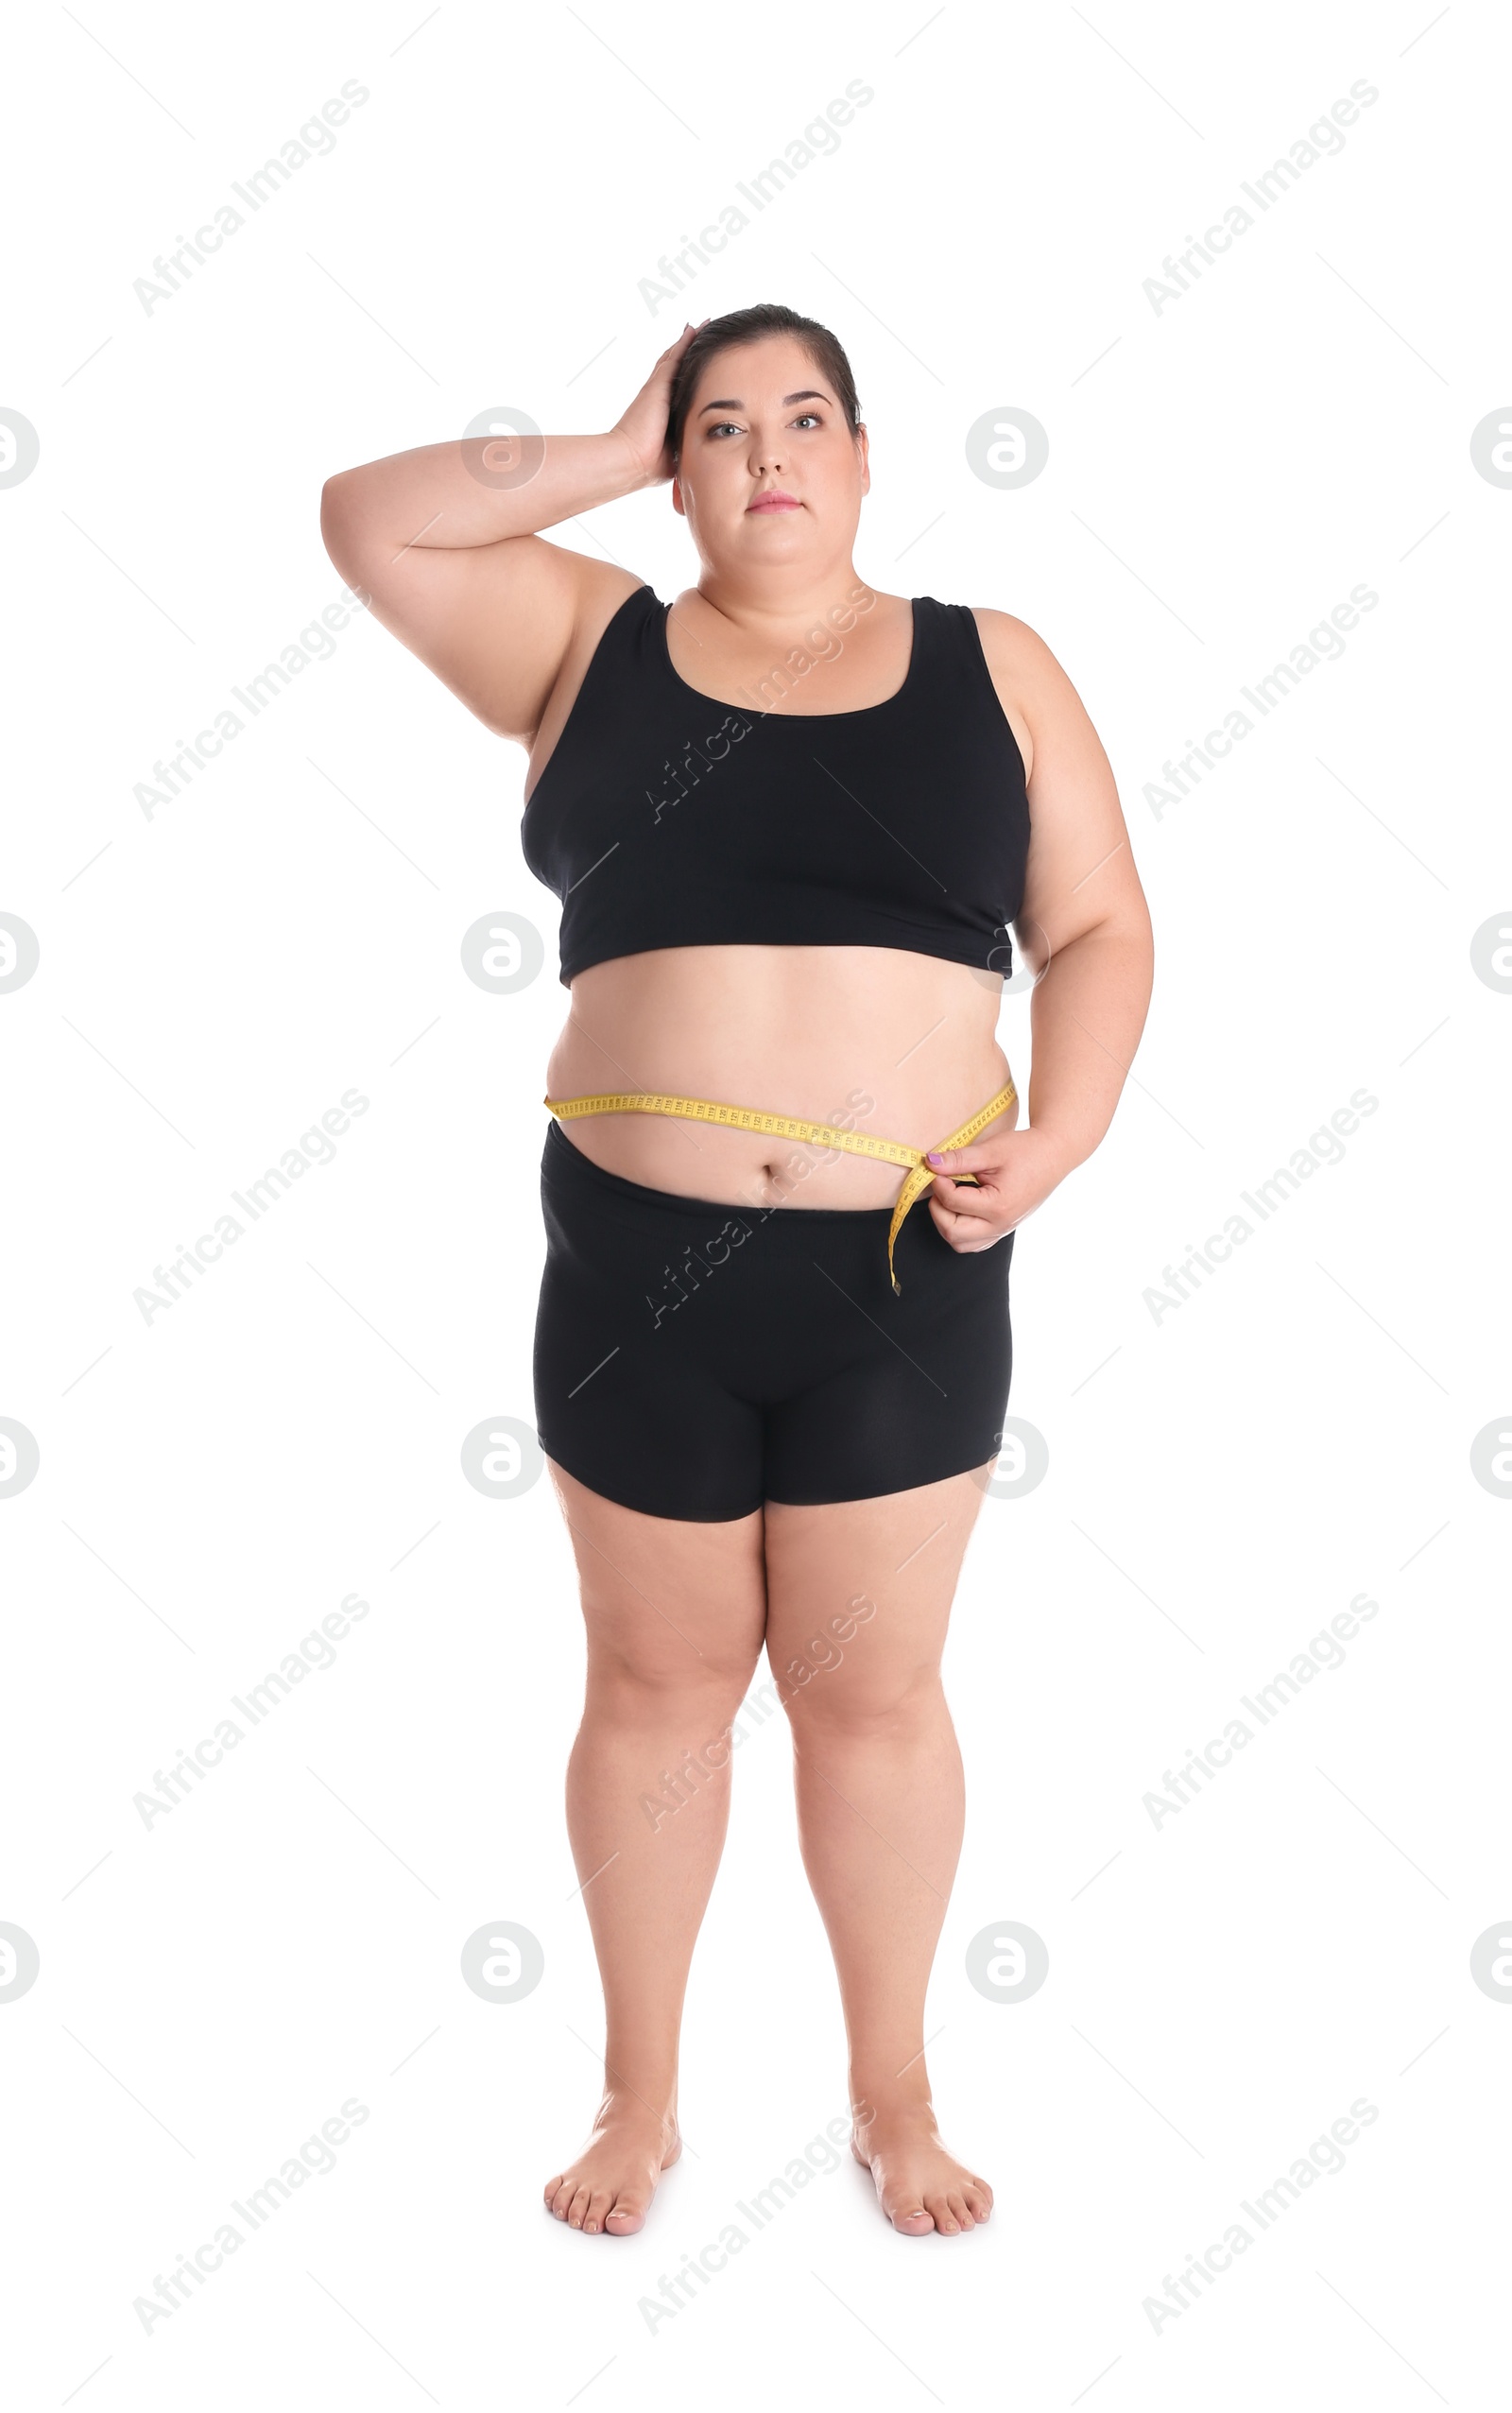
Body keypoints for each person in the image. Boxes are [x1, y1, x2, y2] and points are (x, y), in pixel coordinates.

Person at [320, 303, 1153, 2239]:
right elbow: (368, 519)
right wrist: (607, 457)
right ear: (679, 463)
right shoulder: (581, 645)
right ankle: (638, 2089)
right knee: (655, 1675)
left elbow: (1100, 922)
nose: (763, 449)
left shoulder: (989, 664)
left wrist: (1066, 1130)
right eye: (717, 423)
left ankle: (892, 2090)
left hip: (900, 1266)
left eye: (801, 417)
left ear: (863, 454)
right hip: (634, 1269)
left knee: (872, 1695)